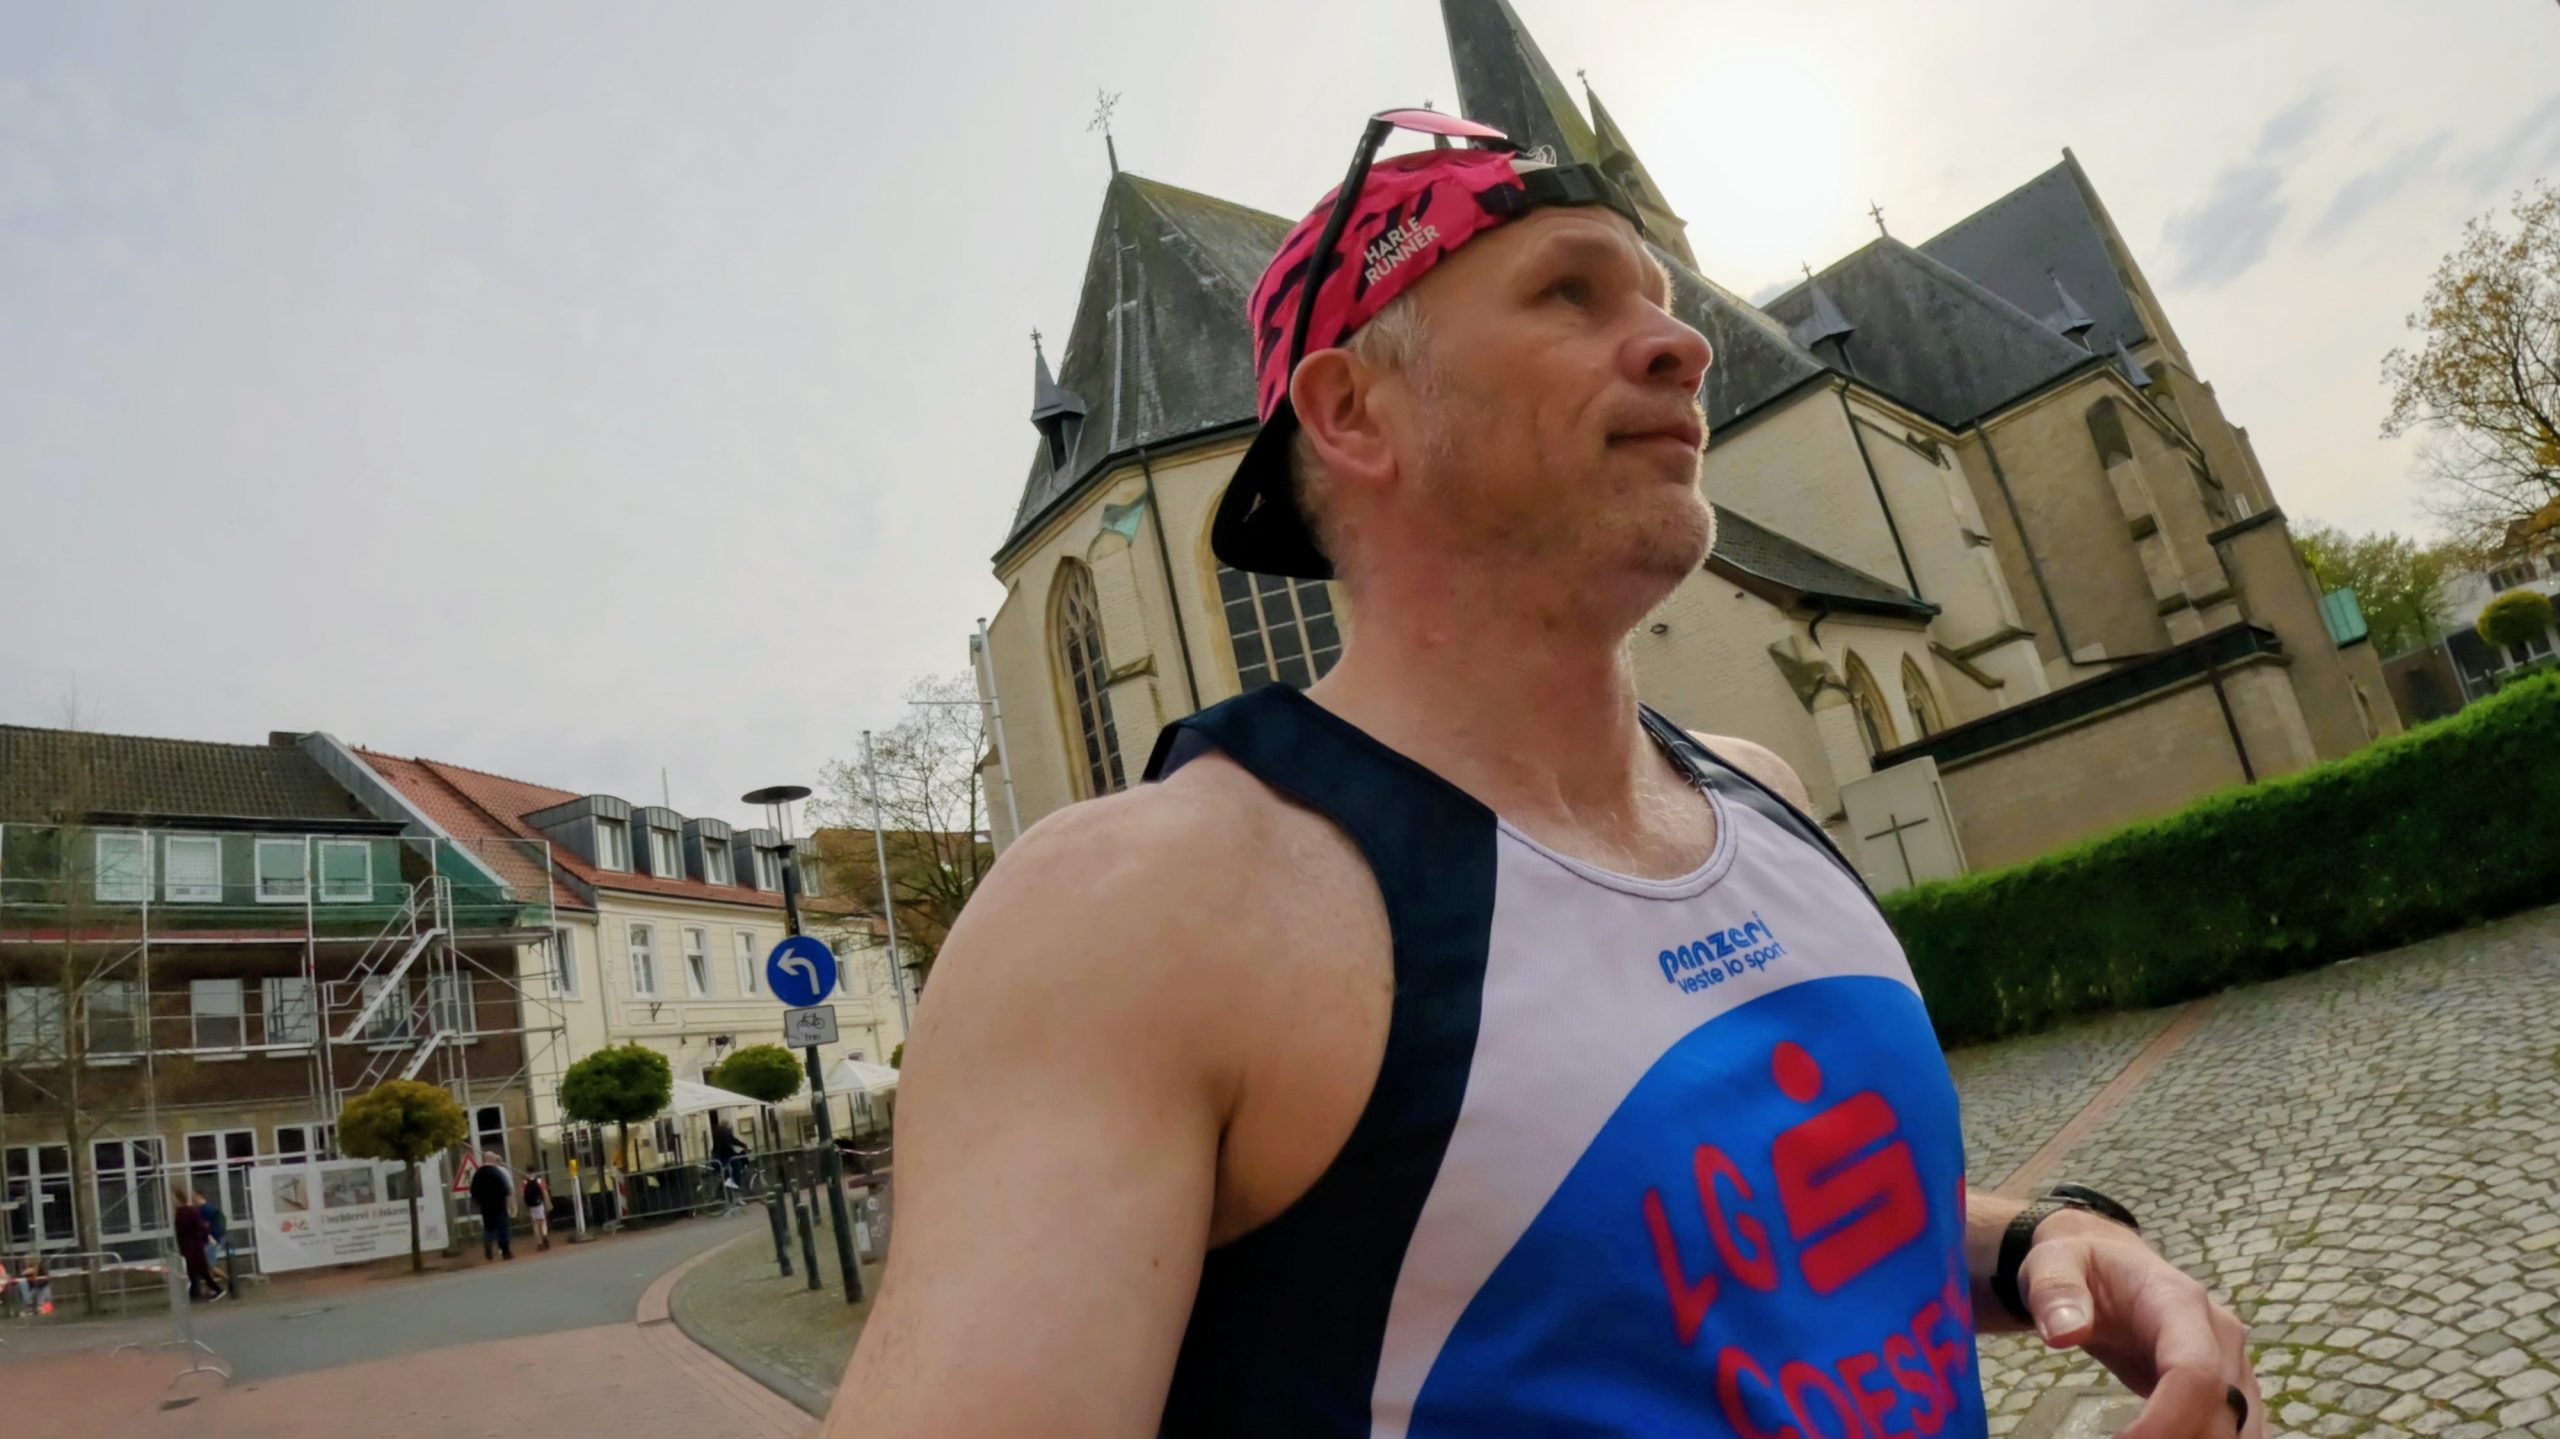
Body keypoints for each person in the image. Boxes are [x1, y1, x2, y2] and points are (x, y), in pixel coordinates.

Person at [832, 108, 2263, 1439]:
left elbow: (1732, 1219)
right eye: (1572, 294)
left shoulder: (1761, 792)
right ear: (1352, 412)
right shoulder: (1141, 911)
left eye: (1662, 299)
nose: (1681, 344)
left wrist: (2038, 1241)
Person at [173, 1188, 223, 1302]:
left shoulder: (187, 1211)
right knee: (196, 1270)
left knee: (202, 1269)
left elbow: (200, 1226)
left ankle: (217, 1289)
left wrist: (206, 1238)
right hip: (191, 1246)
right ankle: (195, 1293)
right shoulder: (185, 1211)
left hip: (193, 1246)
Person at [468, 1151, 515, 1262]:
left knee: (489, 1227)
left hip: (485, 1206)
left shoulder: (478, 1174)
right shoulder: (496, 1172)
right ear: (493, 1160)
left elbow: (473, 1190)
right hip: (499, 1205)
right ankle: (506, 1251)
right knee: (502, 1227)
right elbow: (504, 1188)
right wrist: (506, 1198)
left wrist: (479, 1201)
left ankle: (488, 1240)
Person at [195, 1189, 230, 1293]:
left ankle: (230, 1281)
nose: (193, 1199)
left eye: (194, 1197)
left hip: (211, 1240)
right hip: (214, 1238)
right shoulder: (210, 1207)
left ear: (199, 1196)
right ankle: (211, 1287)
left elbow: (204, 1225)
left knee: (209, 1265)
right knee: (208, 1266)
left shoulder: (203, 1209)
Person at [712, 1120, 748, 1193]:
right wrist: (744, 1146)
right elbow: (732, 1141)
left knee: (726, 1173)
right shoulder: (725, 1131)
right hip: (724, 1156)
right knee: (737, 1165)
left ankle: (723, 1191)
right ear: (727, 1126)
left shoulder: (717, 1131)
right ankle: (736, 1188)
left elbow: (731, 1141)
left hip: (717, 1156)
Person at [521, 1169, 552, 1253]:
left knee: (535, 1224)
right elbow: (545, 1193)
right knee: (543, 1222)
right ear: (535, 1172)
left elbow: (523, 1196)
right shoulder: (539, 1181)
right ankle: (544, 1235)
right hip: (539, 1204)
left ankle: (539, 1243)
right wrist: (548, 1203)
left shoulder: (524, 1183)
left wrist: (526, 1206)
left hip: (532, 1206)